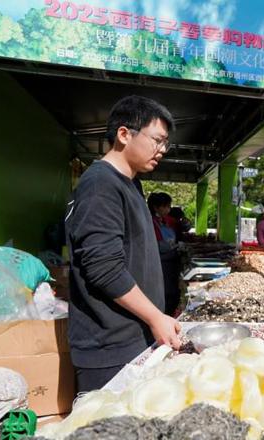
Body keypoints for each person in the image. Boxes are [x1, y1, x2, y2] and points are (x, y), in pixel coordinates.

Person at [65, 95, 181, 393]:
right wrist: (155, 316)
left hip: (133, 338)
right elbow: (104, 268)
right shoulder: (100, 184)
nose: (162, 150)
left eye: (165, 143)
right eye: (157, 140)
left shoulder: (130, 183)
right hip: (109, 348)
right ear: (124, 134)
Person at [147, 192, 181, 317]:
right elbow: (157, 245)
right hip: (159, 263)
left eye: (169, 206)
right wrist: (174, 247)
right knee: (163, 292)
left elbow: (180, 226)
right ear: (155, 207)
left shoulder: (166, 220)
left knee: (170, 292)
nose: (168, 209)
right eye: (165, 206)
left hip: (171, 262)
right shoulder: (149, 222)